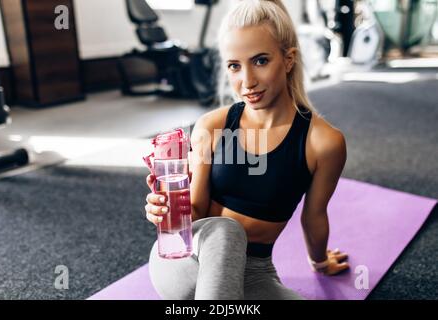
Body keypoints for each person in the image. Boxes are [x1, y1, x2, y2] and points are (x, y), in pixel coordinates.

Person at [144, 0, 349, 300]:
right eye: (234, 66)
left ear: (288, 59)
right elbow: (197, 210)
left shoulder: (324, 142)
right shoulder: (212, 125)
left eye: (261, 61)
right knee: (228, 231)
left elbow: (314, 215)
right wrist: (165, 213)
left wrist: (320, 262)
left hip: (253, 272)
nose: (247, 82)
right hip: (187, 260)